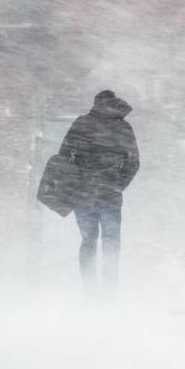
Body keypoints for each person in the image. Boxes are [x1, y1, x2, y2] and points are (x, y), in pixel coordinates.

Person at [59, 90, 140, 295]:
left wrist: (75, 180)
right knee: (111, 240)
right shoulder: (122, 127)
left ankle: (89, 288)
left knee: (88, 240)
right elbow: (133, 162)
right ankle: (110, 287)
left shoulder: (82, 124)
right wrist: (118, 183)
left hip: (83, 193)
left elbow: (63, 157)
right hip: (109, 194)